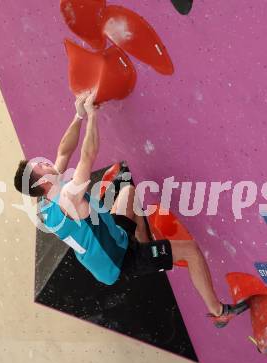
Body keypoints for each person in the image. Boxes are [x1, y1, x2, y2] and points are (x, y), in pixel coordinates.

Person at [14, 90, 248, 328]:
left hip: (113, 234)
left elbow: (64, 151)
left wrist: (78, 115)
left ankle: (145, 243)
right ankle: (218, 312)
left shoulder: (45, 200)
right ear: (41, 182)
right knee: (191, 251)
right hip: (119, 259)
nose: (46, 163)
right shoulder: (67, 198)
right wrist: (93, 116)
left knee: (128, 192)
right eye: (42, 166)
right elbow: (88, 155)